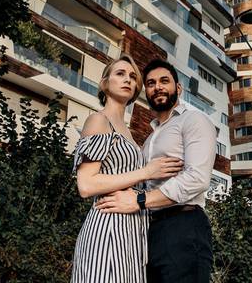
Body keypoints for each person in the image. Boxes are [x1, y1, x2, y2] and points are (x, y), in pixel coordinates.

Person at [97, 59, 217, 283]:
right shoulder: (149, 139)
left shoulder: (194, 120)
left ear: (178, 89)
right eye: (151, 83)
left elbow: (197, 178)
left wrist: (139, 200)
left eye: (165, 81)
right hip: (149, 230)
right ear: (146, 92)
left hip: (185, 225)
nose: (158, 87)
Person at [71, 55, 184, 283]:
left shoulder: (129, 133)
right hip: (107, 227)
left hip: (132, 232)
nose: (128, 80)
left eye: (133, 76)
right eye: (120, 74)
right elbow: (86, 185)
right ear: (105, 83)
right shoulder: (98, 120)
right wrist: (147, 172)